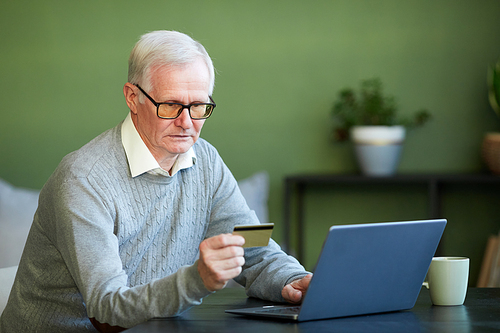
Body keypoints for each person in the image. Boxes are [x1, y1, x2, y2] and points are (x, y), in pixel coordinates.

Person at [0, 30, 311, 333]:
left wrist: (293, 280)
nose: (187, 123)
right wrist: (196, 279)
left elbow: (252, 247)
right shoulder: (84, 179)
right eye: (171, 106)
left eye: (199, 106)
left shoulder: (206, 159)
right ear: (133, 98)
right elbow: (107, 310)